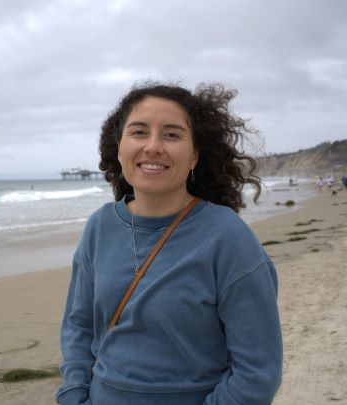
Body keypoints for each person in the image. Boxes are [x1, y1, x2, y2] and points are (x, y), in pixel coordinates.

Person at [56, 82, 282, 405]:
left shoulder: (228, 237)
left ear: (194, 156)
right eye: (138, 132)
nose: (153, 146)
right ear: (119, 149)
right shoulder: (99, 227)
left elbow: (258, 372)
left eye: (172, 134)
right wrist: (73, 395)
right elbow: (78, 328)